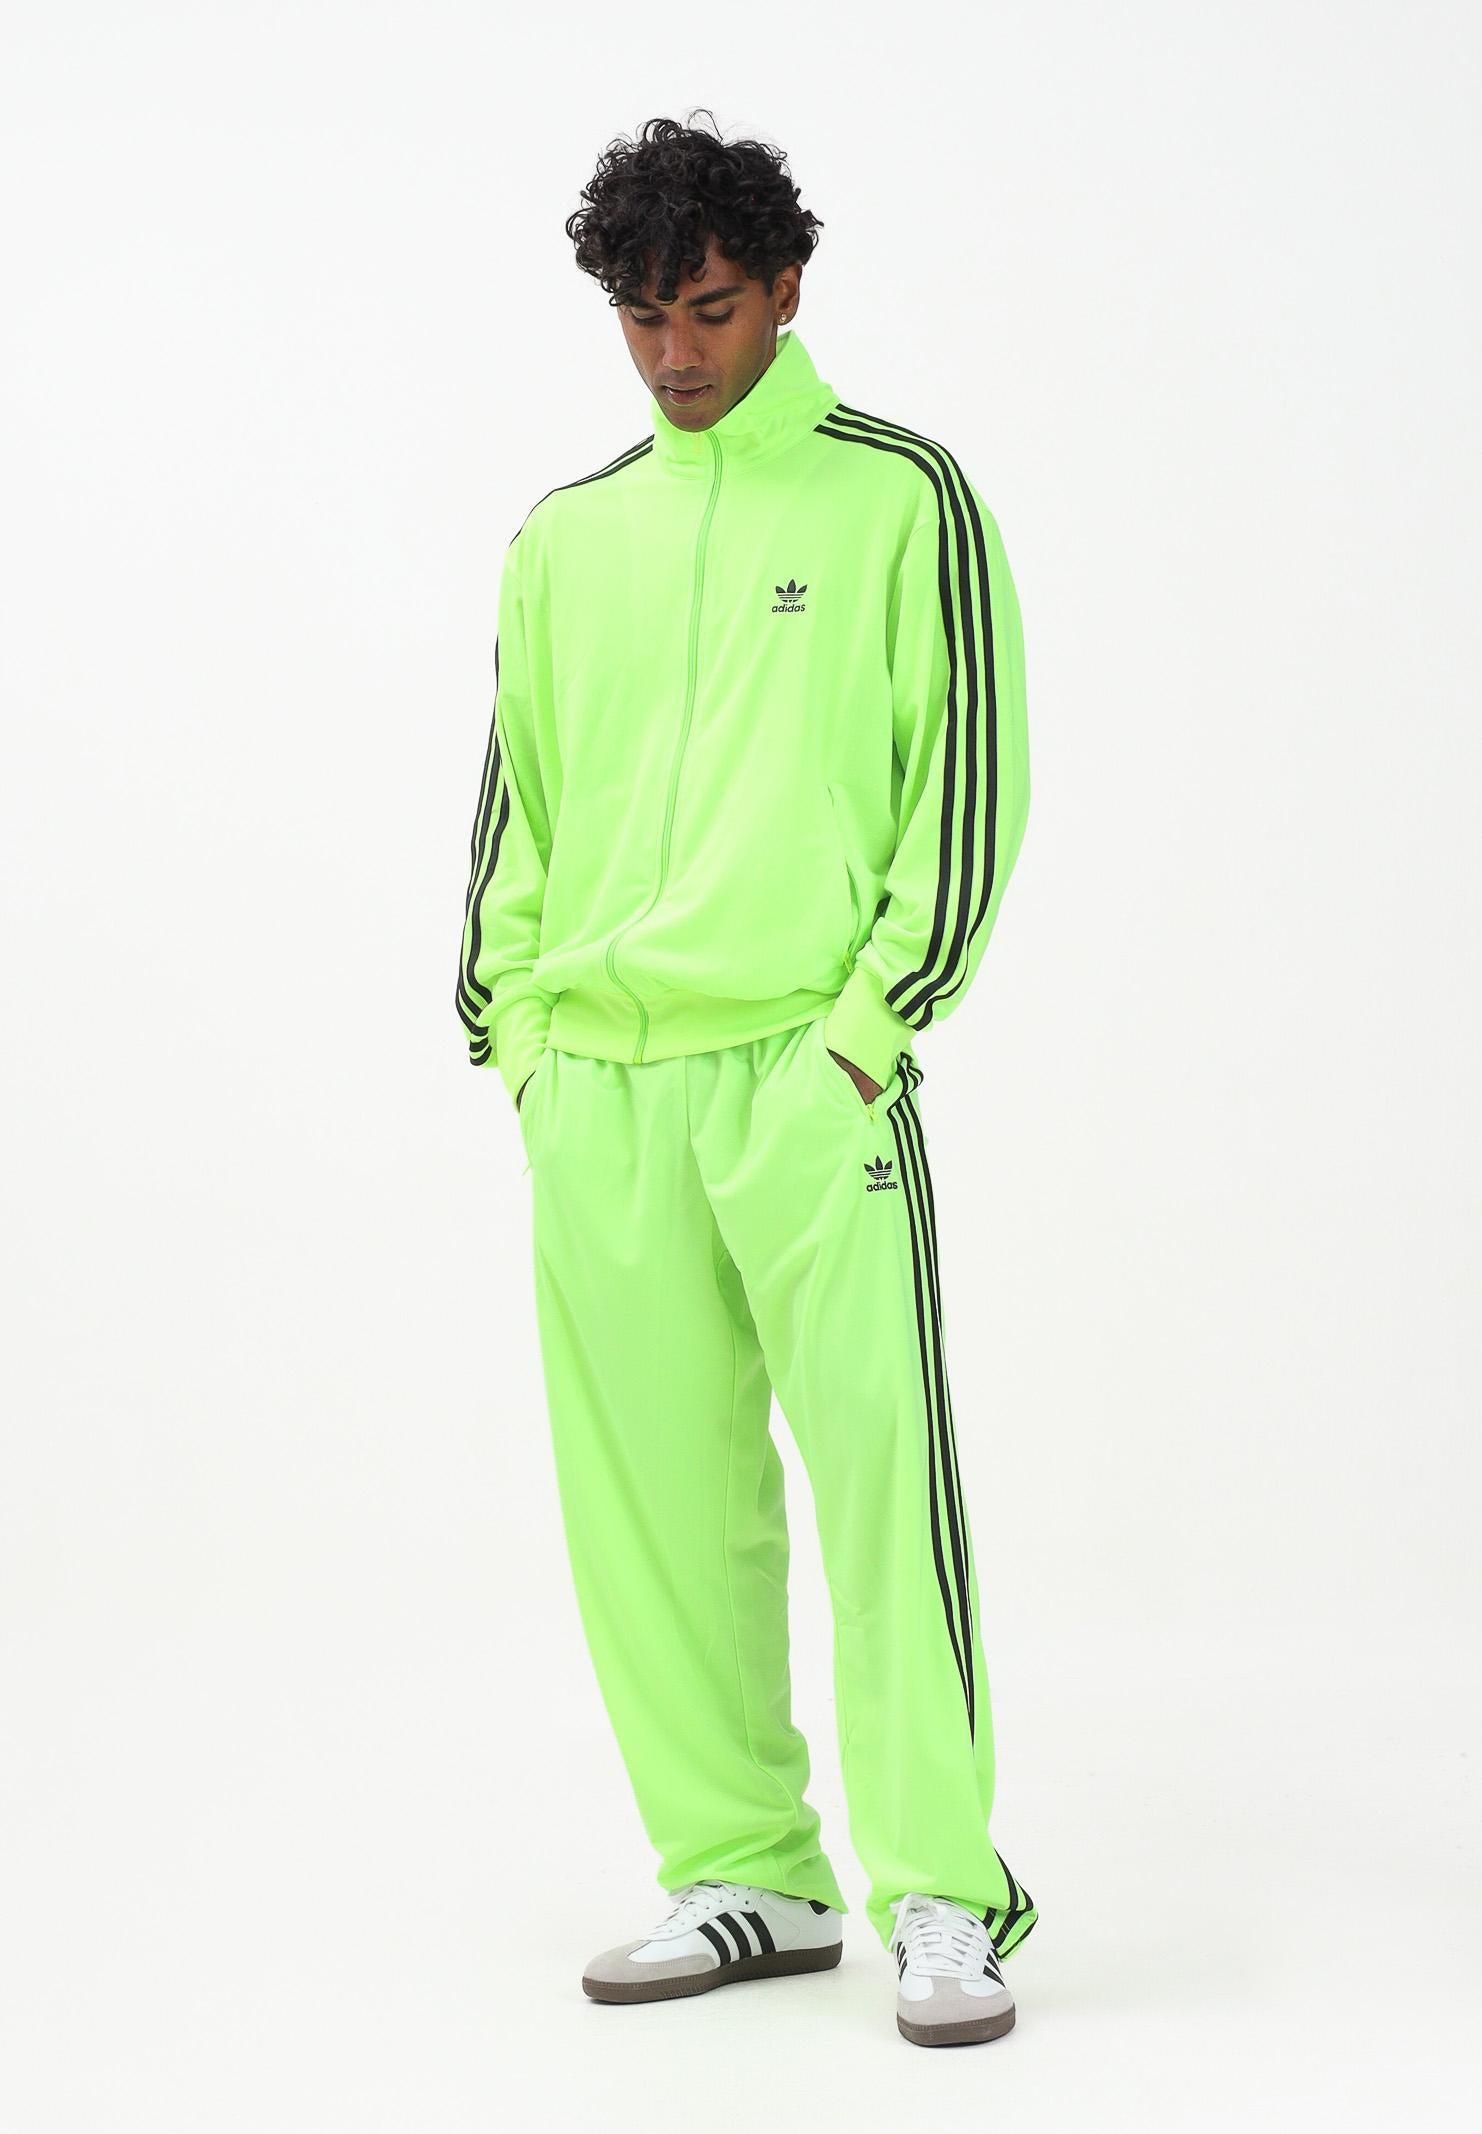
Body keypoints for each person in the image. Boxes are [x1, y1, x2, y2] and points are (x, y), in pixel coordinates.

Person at [455, 112, 1037, 2048]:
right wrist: (518, 1040)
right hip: (600, 1094)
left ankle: (941, 1887)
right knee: (654, 1510)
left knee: (882, 1495)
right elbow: (516, 814)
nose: (675, 352)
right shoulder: (568, 535)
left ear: (786, 288)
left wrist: (868, 1033)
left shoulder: (898, 496)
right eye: (641, 318)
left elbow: (966, 784)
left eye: (706, 309)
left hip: (806, 1071)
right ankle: (746, 1872)